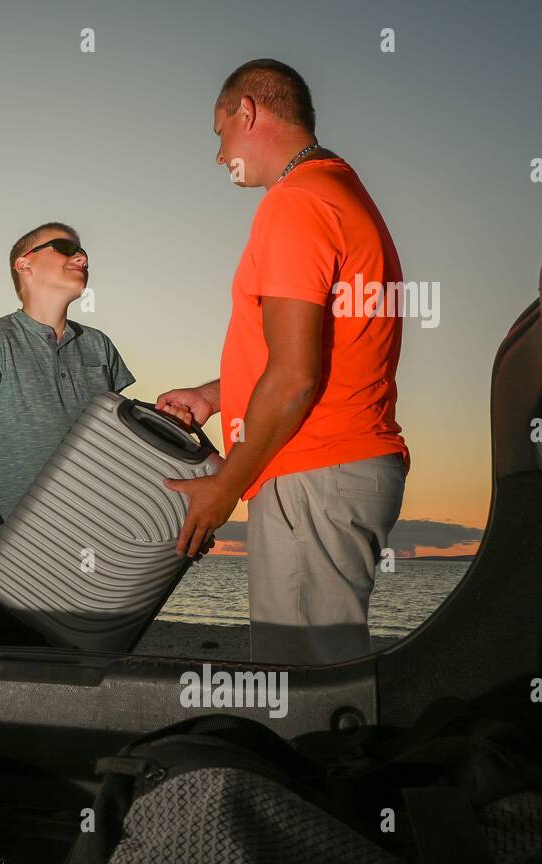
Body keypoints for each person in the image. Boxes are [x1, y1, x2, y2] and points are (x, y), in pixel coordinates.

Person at [159, 59, 409, 665]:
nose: (219, 155)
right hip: (335, 467)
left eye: (220, 132)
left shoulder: (294, 203)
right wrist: (218, 395)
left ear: (248, 112)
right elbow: (312, 353)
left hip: (314, 468)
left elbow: (295, 379)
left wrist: (226, 484)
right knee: (320, 678)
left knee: (299, 691)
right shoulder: (338, 191)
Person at [0, 222, 135, 617]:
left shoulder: (100, 345)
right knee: (15, 668)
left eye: (81, 252)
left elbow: (121, 448)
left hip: (99, 546)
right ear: (24, 265)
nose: (81, 258)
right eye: (65, 248)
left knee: (94, 668)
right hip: (18, 549)